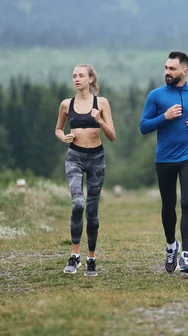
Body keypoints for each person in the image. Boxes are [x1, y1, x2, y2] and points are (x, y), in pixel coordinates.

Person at [139, 51, 188, 274]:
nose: (167, 72)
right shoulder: (156, 96)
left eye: (172, 69)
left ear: (184, 71)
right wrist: (165, 117)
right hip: (165, 159)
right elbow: (144, 126)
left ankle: (186, 256)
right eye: (166, 68)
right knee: (168, 206)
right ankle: (172, 245)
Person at [55, 64, 116, 276]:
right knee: (78, 203)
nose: (77, 79)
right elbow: (58, 129)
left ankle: (91, 258)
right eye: (74, 76)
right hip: (74, 157)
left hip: (96, 158)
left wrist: (99, 120)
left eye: (81, 75)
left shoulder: (102, 102)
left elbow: (112, 136)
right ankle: (74, 256)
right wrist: (64, 137)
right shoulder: (66, 104)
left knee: (91, 210)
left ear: (91, 79)